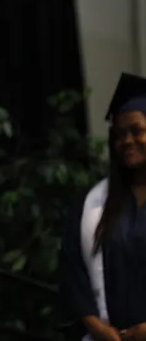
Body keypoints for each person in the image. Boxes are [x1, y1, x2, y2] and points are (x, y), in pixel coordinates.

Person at [60, 73, 146, 341]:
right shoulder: (92, 204)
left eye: (136, 131)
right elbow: (73, 273)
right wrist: (97, 327)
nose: (127, 141)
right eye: (119, 135)